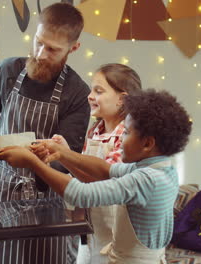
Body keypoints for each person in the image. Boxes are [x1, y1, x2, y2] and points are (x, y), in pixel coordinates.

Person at [0, 89, 193, 263]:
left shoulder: (146, 180)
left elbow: (80, 194)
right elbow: (105, 170)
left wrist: (33, 163)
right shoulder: (161, 168)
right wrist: (62, 153)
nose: (121, 139)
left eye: (126, 133)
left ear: (147, 144)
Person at [0, 3, 91, 264]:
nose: (40, 53)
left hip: (46, 201)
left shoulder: (76, 93)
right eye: (38, 42)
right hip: (0, 193)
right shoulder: (7, 71)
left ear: (73, 48)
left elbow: (66, 156)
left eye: (53, 49)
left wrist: (47, 160)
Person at [51, 63, 142, 264]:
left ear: (122, 99)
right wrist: (65, 153)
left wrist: (64, 155)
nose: (89, 96)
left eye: (98, 91)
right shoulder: (95, 131)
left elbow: (103, 177)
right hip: (93, 231)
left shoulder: (129, 136)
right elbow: (85, 175)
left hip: (118, 237)